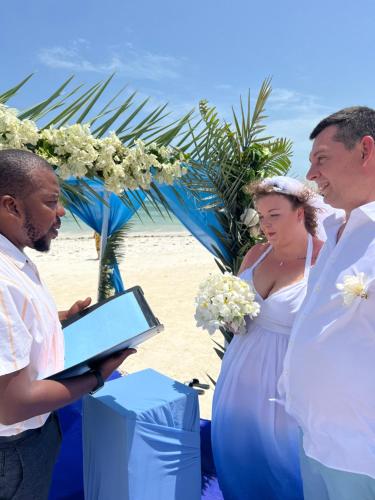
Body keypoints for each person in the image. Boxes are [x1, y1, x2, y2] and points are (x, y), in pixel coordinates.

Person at [0, 149, 136, 500]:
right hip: (14, 449)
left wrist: (59, 318)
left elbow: (14, 324)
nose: (61, 213)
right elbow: (13, 403)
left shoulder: (13, 258)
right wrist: (97, 376)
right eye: (51, 202)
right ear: (11, 206)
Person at [278, 106, 375, 500]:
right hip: (314, 437)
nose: (312, 174)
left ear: (366, 151)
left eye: (322, 159)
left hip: (360, 453)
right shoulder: (336, 229)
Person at [212, 176, 325, 500]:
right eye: (261, 217)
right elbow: (235, 306)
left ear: (300, 213)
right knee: (237, 459)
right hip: (237, 377)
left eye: (274, 215)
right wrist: (225, 313)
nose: (265, 225)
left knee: (284, 468)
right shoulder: (255, 255)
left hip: (285, 386)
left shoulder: (322, 260)